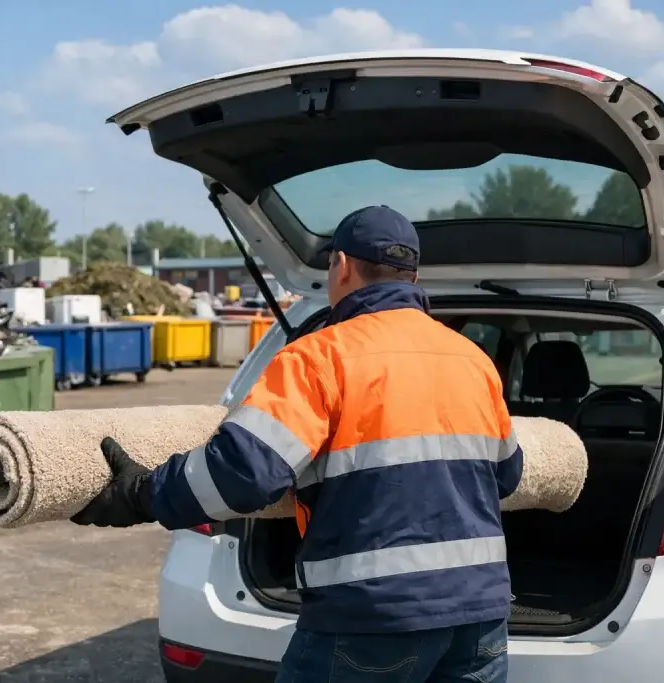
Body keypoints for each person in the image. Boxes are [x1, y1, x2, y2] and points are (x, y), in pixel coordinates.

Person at [72, 205, 523, 683]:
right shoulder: (472, 360)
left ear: (343, 266)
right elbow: (507, 475)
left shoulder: (320, 357)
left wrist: (140, 493)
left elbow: (243, 474)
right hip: (480, 619)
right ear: (412, 275)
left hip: (371, 618)